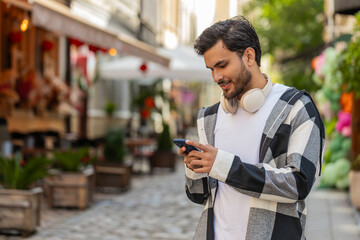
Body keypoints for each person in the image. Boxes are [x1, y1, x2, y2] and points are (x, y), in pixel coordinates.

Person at [178, 16, 325, 240]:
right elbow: (198, 195)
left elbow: (298, 184)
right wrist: (194, 166)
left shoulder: (296, 108)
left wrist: (224, 165)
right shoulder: (209, 117)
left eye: (222, 65)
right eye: (211, 69)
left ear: (249, 56)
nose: (216, 76)